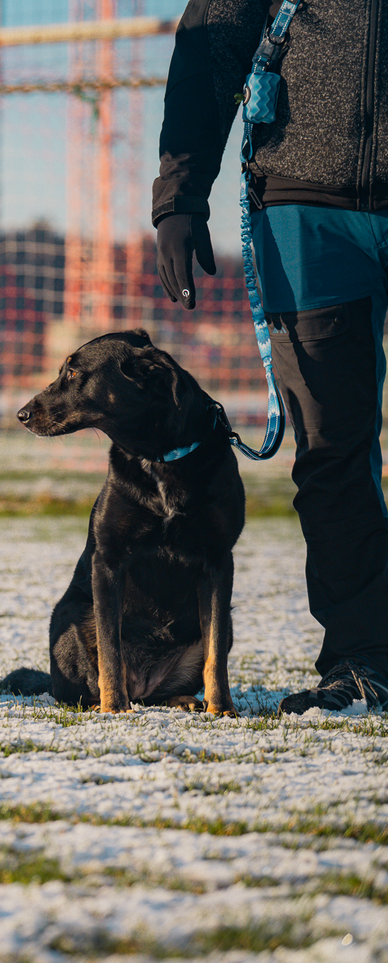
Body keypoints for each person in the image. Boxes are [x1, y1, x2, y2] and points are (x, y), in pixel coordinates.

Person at [154, 0, 388, 712]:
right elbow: (214, 40)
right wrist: (179, 196)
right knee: (331, 448)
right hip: (302, 209)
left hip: (305, 211)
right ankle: (361, 661)